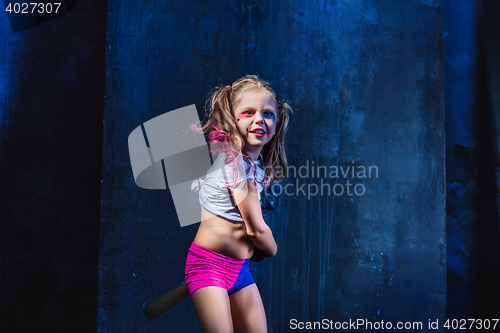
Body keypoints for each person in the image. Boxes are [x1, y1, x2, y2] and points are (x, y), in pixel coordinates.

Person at [185, 75, 291, 332]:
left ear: (276, 125)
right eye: (248, 112)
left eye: (268, 114)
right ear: (234, 119)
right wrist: (270, 250)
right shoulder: (235, 166)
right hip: (209, 266)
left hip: (239, 270)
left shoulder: (253, 166)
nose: (259, 120)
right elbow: (256, 229)